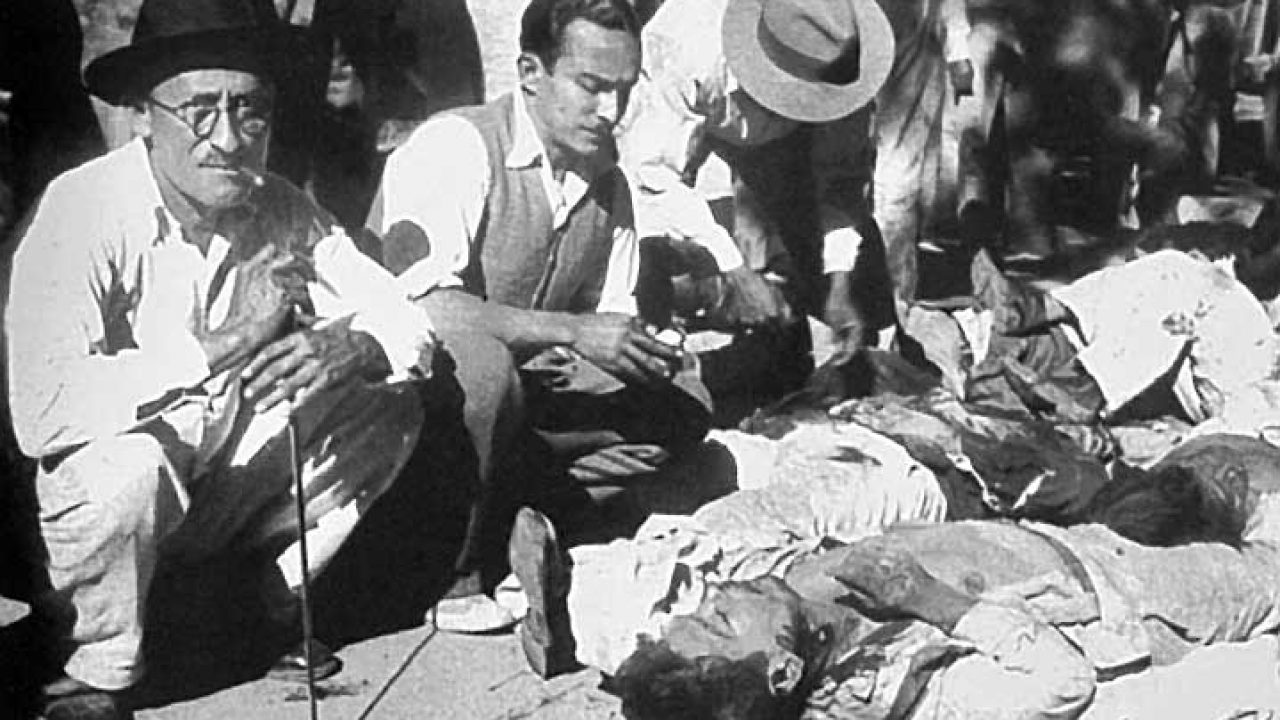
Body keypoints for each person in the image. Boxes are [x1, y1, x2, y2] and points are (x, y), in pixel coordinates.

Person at [4, 0, 437, 717]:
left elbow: (405, 320)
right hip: (78, 522)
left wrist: (353, 344)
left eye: (251, 110)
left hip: (209, 489)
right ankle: (98, 664)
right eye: (200, 111)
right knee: (129, 468)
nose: (230, 139)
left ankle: (258, 600)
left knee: (388, 404)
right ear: (143, 116)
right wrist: (227, 341)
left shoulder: (279, 206)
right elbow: (40, 412)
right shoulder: (82, 209)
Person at [365, 0, 712, 633]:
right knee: (483, 369)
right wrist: (572, 332)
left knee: (683, 402)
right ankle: (450, 569)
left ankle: (521, 517)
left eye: (624, 90)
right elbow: (427, 306)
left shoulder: (609, 185)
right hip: (417, 400)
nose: (611, 110)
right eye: (591, 86)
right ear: (530, 72)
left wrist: (648, 349)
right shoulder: (458, 144)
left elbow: (611, 318)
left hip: (524, 403)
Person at [609, 435, 1280, 718]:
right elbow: (1061, 684)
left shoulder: (802, 608)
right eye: (720, 620)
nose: (719, 594)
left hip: (1087, 540)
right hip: (1147, 598)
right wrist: (930, 599)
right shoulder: (914, 699)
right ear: (783, 673)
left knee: (1226, 464)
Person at [615, 0, 898, 371]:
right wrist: (737, 271)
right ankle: (652, 352)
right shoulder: (685, 47)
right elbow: (652, 175)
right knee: (646, 242)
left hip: (785, 142)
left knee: (853, 283)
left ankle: (817, 357)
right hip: (689, 114)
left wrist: (840, 281)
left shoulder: (844, 62)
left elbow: (841, 184)